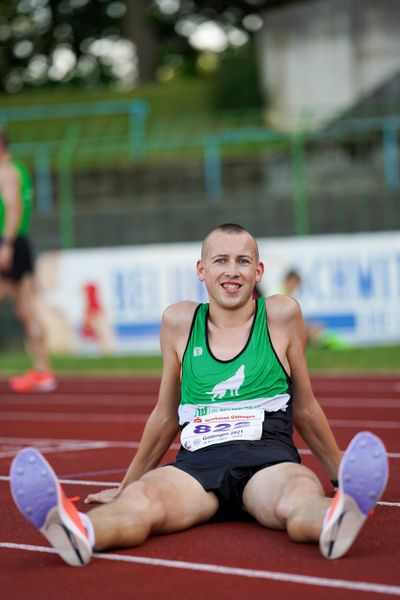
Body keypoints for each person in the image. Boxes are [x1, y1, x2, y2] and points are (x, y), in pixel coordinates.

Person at [10, 223, 388, 566]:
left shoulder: (280, 315)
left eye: (243, 261)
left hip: (267, 461)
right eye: (220, 260)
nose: (232, 271)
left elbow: (304, 406)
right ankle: (78, 531)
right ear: (201, 270)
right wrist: (127, 486)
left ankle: (336, 519)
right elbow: (164, 415)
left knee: (299, 494)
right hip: (197, 466)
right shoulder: (178, 322)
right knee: (142, 501)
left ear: (258, 272)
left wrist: (341, 473)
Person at [0, 129, 56, 392]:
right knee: (26, 310)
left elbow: (14, 208)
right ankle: (42, 370)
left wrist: (6, 245)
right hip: (17, 243)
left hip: (8, 244)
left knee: (27, 309)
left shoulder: (6, 172)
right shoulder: (18, 170)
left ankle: (43, 370)